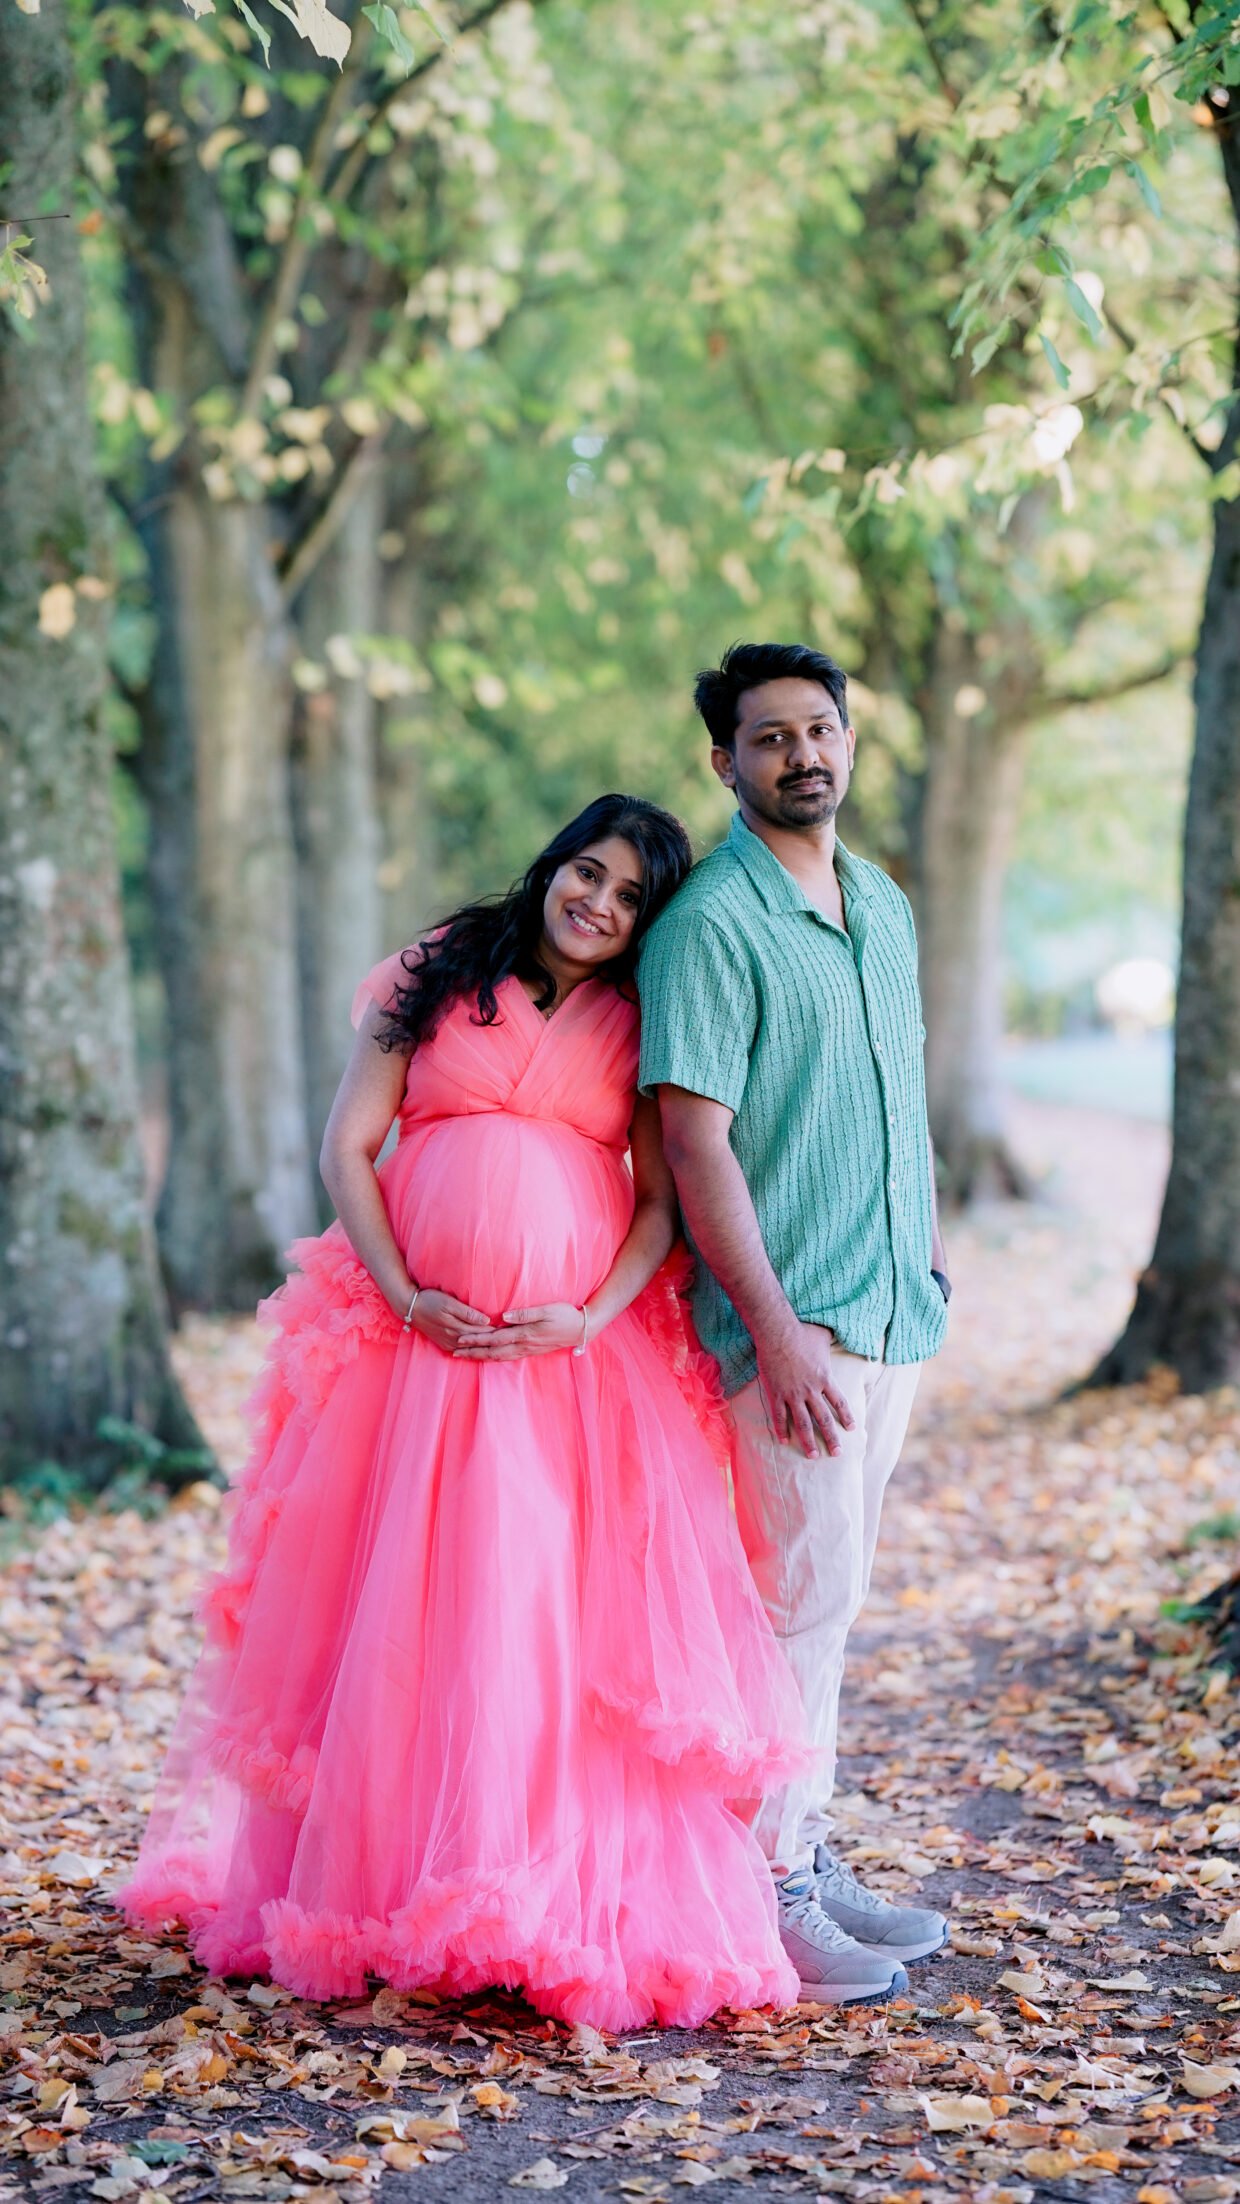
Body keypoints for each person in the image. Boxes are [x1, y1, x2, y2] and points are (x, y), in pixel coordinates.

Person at [120, 794, 811, 2030]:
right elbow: (349, 1146)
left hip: (561, 1367)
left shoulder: (638, 1018)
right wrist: (403, 1291)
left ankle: (526, 1889)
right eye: (584, 871)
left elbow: (657, 1203)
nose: (594, 901)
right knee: (401, 1609)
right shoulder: (438, 968)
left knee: (530, 1610)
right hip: (414, 1352)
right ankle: (396, 1885)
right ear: (551, 863)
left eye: (625, 894)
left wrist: (586, 1316)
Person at [637, 644, 952, 2005]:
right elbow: (694, 1141)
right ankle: (766, 1895)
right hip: (797, 1332)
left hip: (895, 1314)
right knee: (793, 1615)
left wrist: (927, 1253)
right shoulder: (711, 924)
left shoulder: (880, 903)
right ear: (725, 762)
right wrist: (771, 1329)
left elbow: (894, 1099)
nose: (803, 755)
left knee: (826, 1609)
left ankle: (802, 1851)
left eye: (821, 729)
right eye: (770, 738)